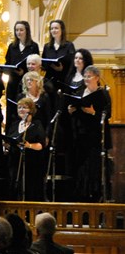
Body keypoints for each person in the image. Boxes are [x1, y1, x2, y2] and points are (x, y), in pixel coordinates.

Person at [67, 65, 111, 201]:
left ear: (97, 78)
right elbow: (75, 110)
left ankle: (95, 194)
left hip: (96, 136)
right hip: (81, 134)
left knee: (93, 166)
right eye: (85, 76)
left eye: (89, 76)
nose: (86, 78)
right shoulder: (80, 91)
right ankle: (81, 195)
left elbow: (107, 114)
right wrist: (71, 110)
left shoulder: (103, 93)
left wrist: (93, 112)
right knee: (81, 166)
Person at [5, 98, 46, 201]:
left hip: (31, 163)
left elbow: (41, 144)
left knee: (30, 190)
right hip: (15, 162)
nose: (21, 110)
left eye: (24, 107)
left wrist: (29, 145)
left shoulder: (36, 124)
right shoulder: (14, 124)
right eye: (19, 107)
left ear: (31, 110)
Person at [5, 21, 40, 132]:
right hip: (13, 82)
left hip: (27, 83)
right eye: (17, 30)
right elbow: (8, 62)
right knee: (12, 108)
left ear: (26, 31)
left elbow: (35, 63)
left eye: (21, 30)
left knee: (26, 107)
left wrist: (23, 72)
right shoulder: (12, 46)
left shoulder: (33, 46)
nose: (18, 32)